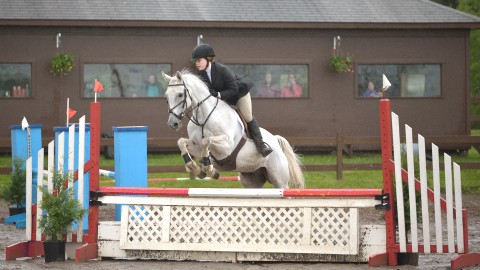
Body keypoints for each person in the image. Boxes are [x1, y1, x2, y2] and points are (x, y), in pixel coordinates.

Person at [191, 43, 273, 157]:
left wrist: (218, 95)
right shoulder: (201, 74)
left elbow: (233, 90)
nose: (197, 63)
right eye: (196, 61)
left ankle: (261, 144)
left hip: (239, 95)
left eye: (199, 60)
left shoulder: (222, 70)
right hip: (224, 99)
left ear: (208, 59)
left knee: (247, 116)